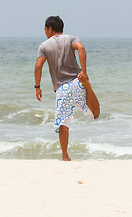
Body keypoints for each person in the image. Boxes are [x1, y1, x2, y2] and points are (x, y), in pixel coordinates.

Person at [34, 16, 100, 161]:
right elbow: (81, 48)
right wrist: (84, 72)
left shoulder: (44, 46)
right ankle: (88, 86)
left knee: (64, 122)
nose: (45, 32)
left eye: (45, 29)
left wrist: (37, 87)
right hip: (78, 82)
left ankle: (65, 156)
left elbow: (38, 66)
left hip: (62, 89)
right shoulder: (71, 38)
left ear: (50, 29)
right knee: (94, 114)